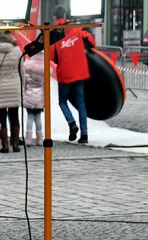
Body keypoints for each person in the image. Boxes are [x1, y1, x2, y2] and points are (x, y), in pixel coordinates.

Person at [51, 6, 96, 144]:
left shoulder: (53, 32)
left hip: (65, 72)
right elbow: (91, 43)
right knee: (81, 103)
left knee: (62, 101)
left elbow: (53, 56)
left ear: (55, 17)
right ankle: (84, 135)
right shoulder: (77, 28)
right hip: (80, 71)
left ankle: (71, 123)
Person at [24, 51, 45, 147]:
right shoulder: (45, 70)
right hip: (40, 97)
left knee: (30, 117)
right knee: (38, 118)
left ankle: (29, 140)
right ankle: (39, 140)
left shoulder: (27, 68)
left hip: (29, 96)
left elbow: (24, 83)